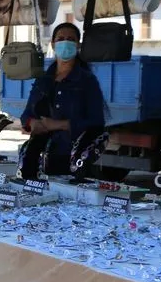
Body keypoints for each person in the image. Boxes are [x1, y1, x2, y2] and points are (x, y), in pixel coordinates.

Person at [18, 23, 106, 179]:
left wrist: (60, 124)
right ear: (53, 44)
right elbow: (27, 114)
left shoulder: (87, 81)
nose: (65, 42)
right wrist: (32, 123)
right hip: (39, 158)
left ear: (78, 45)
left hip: (73, 158)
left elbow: (97, 123)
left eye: (71, 39)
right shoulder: (43, 80)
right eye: (60, 39)